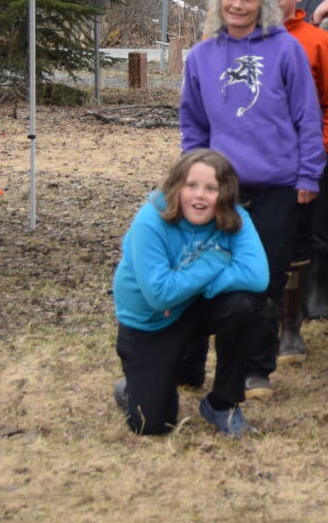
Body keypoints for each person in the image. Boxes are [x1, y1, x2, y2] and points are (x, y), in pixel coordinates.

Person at [179, 0, 323, 401]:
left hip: (279, 184)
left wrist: (309, 172)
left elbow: (307, 116)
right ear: (219, 0)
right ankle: (191, 365)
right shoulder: (202, 56)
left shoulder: (286, 50)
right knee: (207, 273)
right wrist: (194, 178)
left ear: (264, 4)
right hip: (222, 187)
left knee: (266, 278)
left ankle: (256, 368)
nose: (238, 5)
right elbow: (193, 123)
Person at [111, 150, 271, 437]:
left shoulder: (235, 216)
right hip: (151, 322)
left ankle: (223, 403)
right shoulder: (150, 220)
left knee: (244, 304)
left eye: (211, 188)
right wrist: (215, 260)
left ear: (224, 194)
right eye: (191, 185)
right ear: (176, 187)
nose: (200, 196)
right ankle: (133, 387)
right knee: (153, 425)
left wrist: (193, 287)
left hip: (189, 306)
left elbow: (257, 276)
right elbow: (159, 295)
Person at [268, 0, 328, 357]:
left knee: (300, 242)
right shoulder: (244, 38)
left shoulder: (318, 41)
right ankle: (259, 321)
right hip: (256, 165)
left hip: (304, 162)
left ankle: (290, 328)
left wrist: (321, 148)